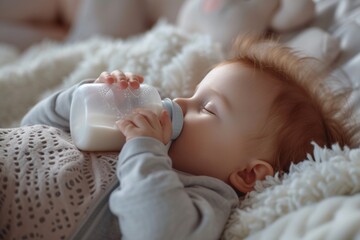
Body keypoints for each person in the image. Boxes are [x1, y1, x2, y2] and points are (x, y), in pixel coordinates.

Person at [1, 36, 356, 240]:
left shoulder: (201, 196)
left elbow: (157, 231)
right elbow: (33, 125)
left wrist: (144, 151)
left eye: (209, 108)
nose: (181, 103)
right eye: (193, 93)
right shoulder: (131, 139)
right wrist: (86, 96)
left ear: (248, 175)